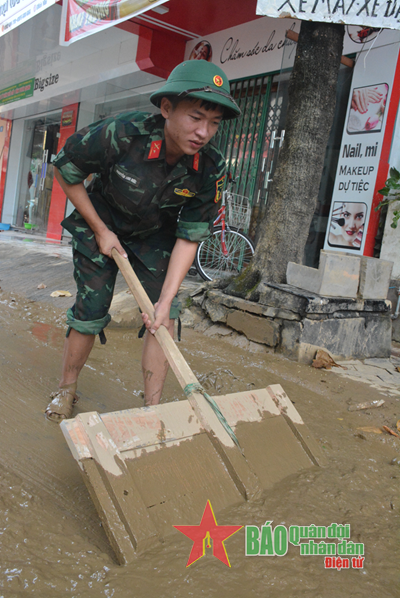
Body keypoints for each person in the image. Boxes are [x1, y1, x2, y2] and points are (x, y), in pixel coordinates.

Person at [45, 60, 240, 422]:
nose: (204, 132)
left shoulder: (210, 165)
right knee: (92, 311)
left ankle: (152, 412)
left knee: (162, 317)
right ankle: (66, 389)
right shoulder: (122, 132)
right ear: (166, 109)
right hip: (99, 222)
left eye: (213, 123)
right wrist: (101, 231)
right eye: (196, 117)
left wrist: (165, 301)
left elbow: (190, 235)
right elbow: (66, 170)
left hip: (156, 235)